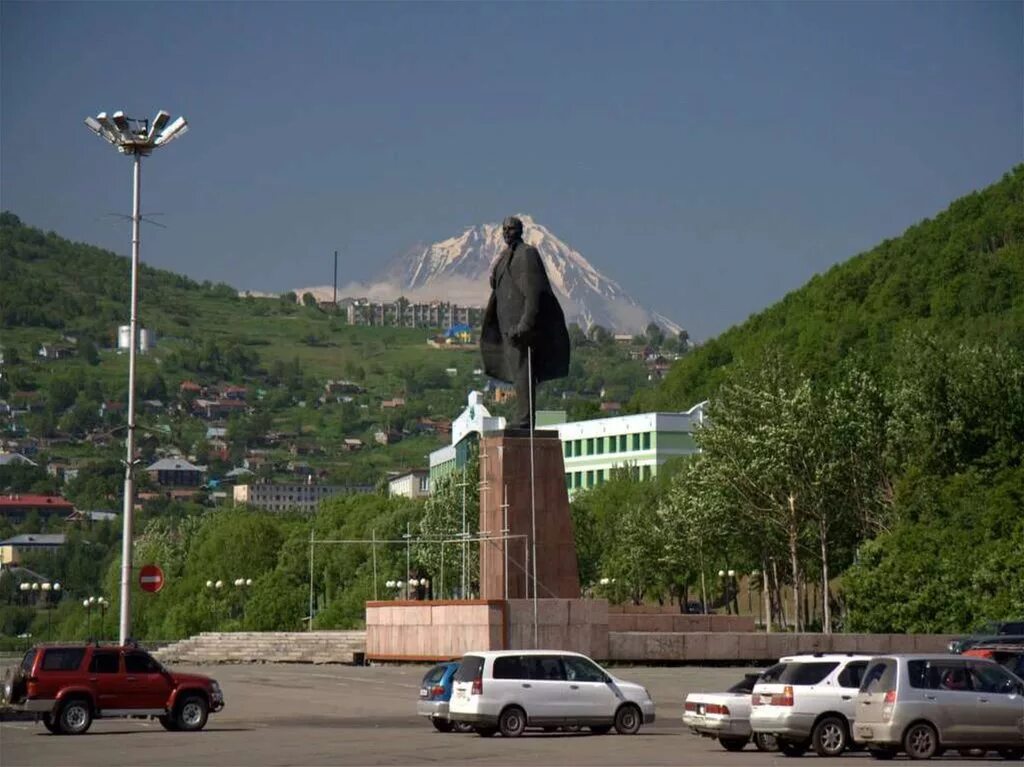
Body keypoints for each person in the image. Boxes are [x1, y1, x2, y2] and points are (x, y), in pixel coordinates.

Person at [480, 216, 570, 430]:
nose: (506, 233)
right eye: (503, 229)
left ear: (519, 231)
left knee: (523, 372)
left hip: (520, 330)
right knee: (517, 373)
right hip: (506, 328)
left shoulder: (527, 254)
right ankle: (522, 415)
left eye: (510, 229)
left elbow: (534, 292)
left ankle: (525, 418)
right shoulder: (504, 257)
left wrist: (525, 325)